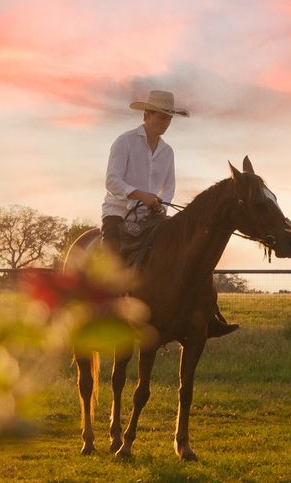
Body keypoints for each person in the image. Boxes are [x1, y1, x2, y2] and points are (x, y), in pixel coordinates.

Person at [100, 88, 236, 337]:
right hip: (118, 213)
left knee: (185, 253)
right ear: (147, 115)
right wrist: (141, 195)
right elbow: (112, 180)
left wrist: (159, 207)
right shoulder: (125, 142)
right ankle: (105, 309)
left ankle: (207, 313)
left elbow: (169, 187)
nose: (166, 123)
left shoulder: (167, 151)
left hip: (152, 216)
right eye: (161, 117)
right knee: (112, 255)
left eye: (169, 118)